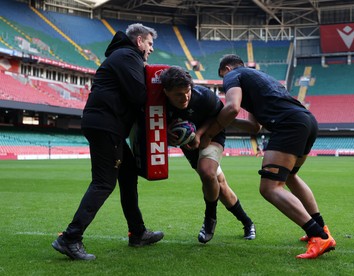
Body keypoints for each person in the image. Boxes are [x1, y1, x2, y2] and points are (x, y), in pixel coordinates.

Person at [200, 54, 336, 259]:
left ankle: (318, 236)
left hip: (288, 125)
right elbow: (254, 127)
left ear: (226, 69)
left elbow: (233, 107)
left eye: (222, 79)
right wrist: (223, 117)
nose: (224, 84)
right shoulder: (258, 78)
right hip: (306, 121)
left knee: (270, 188)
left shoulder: (232, 75)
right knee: (290, 177)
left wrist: (210, 132)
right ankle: (322, 229)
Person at [52, 23, 164, 261]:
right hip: (106, 125)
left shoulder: (123, 56)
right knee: (103, 183)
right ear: (139, 41)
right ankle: (70, 238)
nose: (151, 50)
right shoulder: (127, 55)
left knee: (128, 172)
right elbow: (139, 95)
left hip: (105, 123)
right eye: (150, 44)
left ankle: (138, 232)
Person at [160, 66, 256, 243]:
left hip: (213, 133)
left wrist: (200, 134)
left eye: (187, 92)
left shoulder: (204, 96)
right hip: (189, 145)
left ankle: (209, 219)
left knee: (207, 172)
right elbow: (156, 128)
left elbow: (219, 116)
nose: (185, 97)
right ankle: (248, 222)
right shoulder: (158, 104)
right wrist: (168, 137)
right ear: (166, 92)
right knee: (220, 186)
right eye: (178, 95)